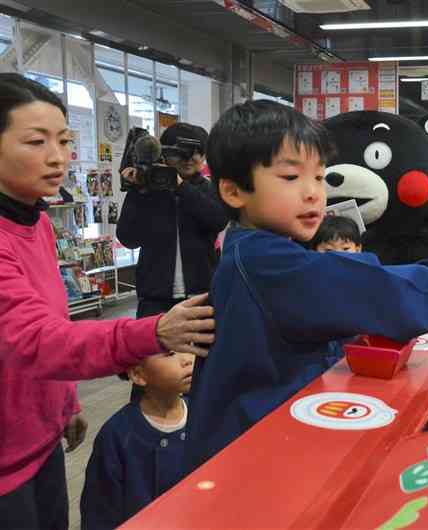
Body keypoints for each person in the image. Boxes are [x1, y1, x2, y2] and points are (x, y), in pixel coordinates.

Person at [184, 100, 428, 474]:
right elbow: (375, 293)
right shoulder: (270, 263)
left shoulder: (255, 251)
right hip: (252, 458)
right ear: (234, 192)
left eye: (319, 176)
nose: (314, 192)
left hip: (256, 442)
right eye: (291, 178)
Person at [0, 73, 214, 530]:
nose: (57, 156)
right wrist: (153, 333)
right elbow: (33, 338)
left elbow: (47, 317)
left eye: (63, 139)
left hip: (39, 443)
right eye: (36, 141)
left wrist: (64, 404)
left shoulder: (34, 220)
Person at [80, 321, 194, 530]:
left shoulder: (203, 415)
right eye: (170, 354)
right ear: (138, 374)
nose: (187, 359)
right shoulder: (117, 436)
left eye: (188, 346)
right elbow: (99, 511)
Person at [117, 122, 228, 319]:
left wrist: (180, 186)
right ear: (165, 153)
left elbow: (217, 220)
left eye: (197, 152)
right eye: (182, 152)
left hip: (201, 294)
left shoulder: (209, 188)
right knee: (153, 350)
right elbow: (128, 238)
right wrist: (137, 191)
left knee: (205, 349)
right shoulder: (148, 190)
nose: (189, 158)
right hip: (154, 298)